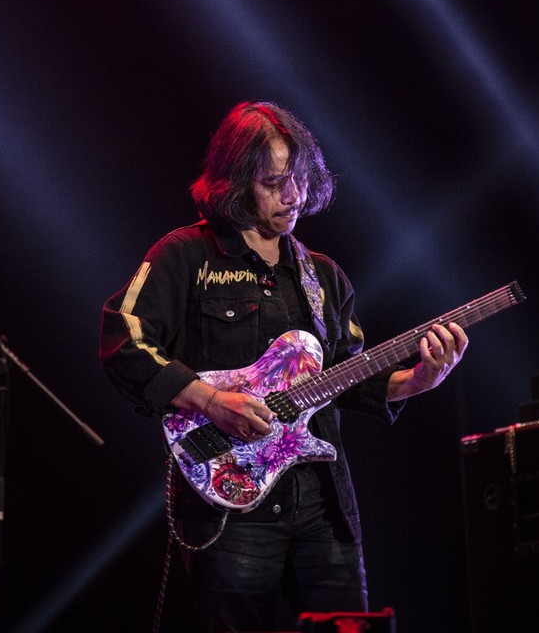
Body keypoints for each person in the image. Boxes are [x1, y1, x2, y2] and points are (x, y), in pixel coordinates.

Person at [99, 100, 468, 632]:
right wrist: (209, 400)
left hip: (322, 505)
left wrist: (418, 380)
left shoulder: (324, 275)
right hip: (232, 506)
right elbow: (121, 339)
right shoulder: (185, 256)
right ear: (234, 181)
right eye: (274, 182)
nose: (292, 196)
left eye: (297, 179)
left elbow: (349, 375)